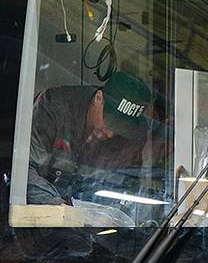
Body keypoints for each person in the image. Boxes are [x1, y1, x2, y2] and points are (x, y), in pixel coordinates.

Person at [26, 71, 156, 208]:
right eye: (110, 122)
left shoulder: (136, 133)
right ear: (98, 98)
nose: (111, 134)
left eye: (121, 129)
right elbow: (24, 169)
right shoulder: (52, 106)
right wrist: (57, 206)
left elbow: (125, 183)